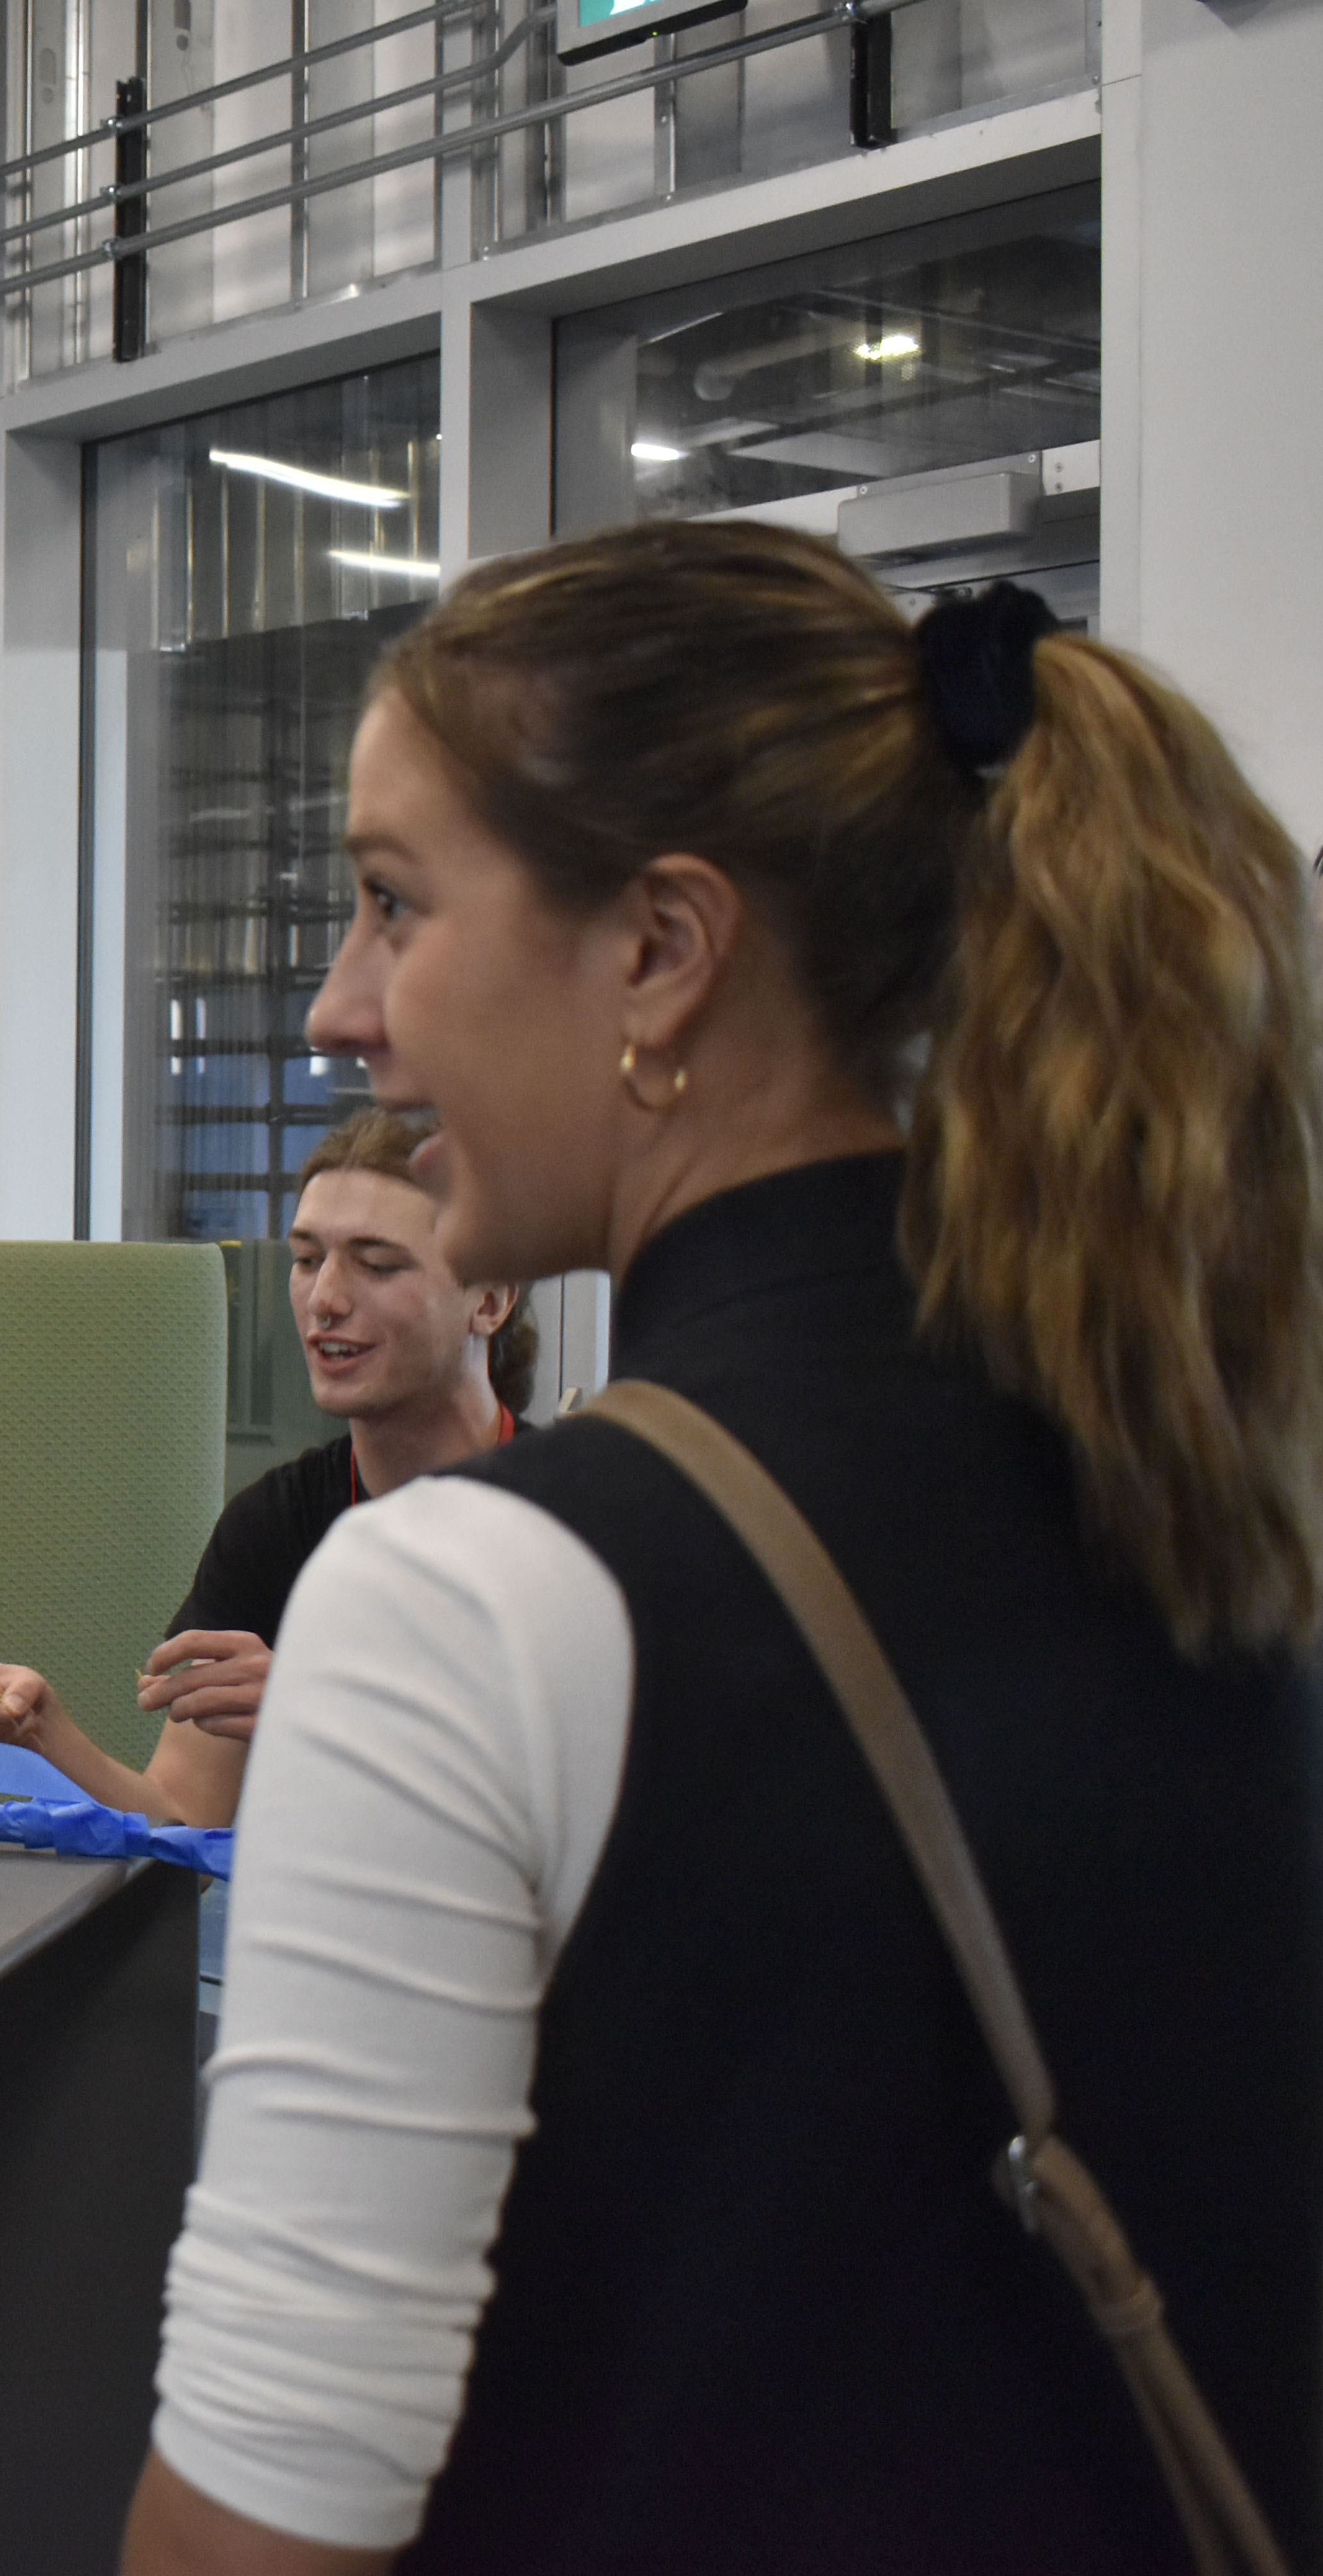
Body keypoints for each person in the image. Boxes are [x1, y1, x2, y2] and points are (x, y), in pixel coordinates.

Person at [129, 527, 1319, 2573]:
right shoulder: (1202, 1470)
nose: (341, 1011)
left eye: (394, 903)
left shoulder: (463, 1601)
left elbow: (259, 2526)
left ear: (660, 953)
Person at [0, 1105, 531, 1828]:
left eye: (378, 1264)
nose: (325, 1299)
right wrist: (42, 1735)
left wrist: (332, 1711)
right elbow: (183, 1822)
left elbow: (604, 1806)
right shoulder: (273, 1527)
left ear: (489, 1299)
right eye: (307, 1259)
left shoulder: (578, 1520)